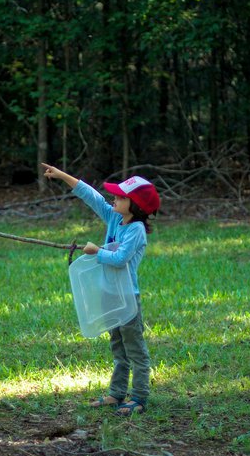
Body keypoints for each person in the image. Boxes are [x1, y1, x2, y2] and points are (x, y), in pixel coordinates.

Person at [41, 163, 160, 416]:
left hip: (128, 298)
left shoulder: (136, 230)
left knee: (135, 349)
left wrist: (98, 251)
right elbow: (92, 197)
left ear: (135, 205)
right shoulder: (115, 217)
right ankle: (117, 394)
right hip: (110, 295)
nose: (114, 199)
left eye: (120, 197)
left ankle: (138, 397)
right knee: (118, 347)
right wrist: (63, 176)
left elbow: (120, 259)